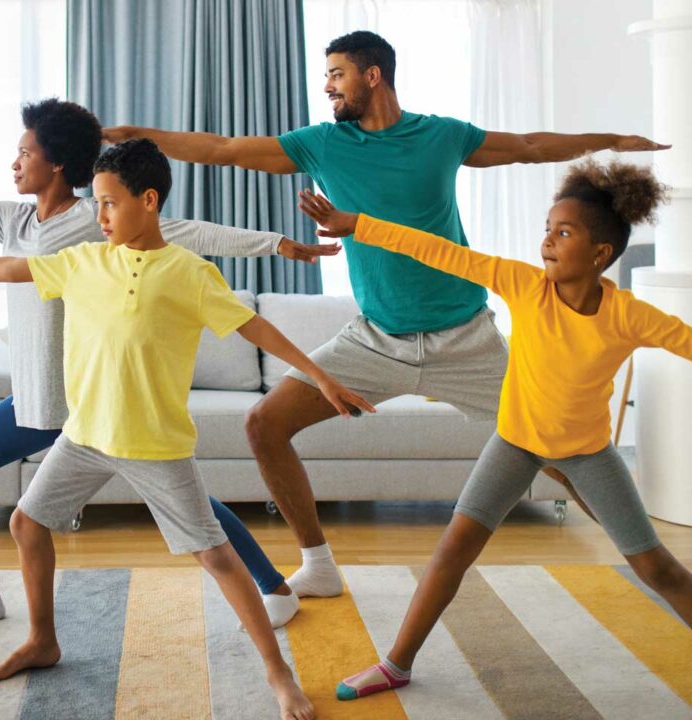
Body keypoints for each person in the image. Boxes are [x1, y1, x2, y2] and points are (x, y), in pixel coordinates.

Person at [105, 30, 671, 598]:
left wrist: (612, 140)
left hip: (467, 341)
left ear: (372, 75)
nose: (326, 85)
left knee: (562, 455)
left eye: (336, 73)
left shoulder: (440, 136)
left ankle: (655, 568)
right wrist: (139, 136)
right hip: (375, 340)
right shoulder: (321, 143)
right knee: (264, 423)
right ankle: (318, 563)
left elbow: (526, 144)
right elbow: (222, 149)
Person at [0, 139, 378, 719]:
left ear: (148, 200)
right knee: (26, 522)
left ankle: (279, 673)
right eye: (96, 203)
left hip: (153, 446)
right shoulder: (85, 261)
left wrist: (319, 377)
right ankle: (43, 639)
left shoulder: (190, 273)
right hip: (85, 434)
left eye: (110, 204)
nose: (100, 217)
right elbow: (8, 266)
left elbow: (255, 331)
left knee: (217, 558)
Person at [0, 98, 337, 626]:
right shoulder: (12, 221)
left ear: (56, 162)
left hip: (69, 397)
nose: (15, 163)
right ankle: (272, 586)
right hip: (36, 391)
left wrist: (277, 244)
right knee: (184, 497)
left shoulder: (96, 219)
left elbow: (189, 231)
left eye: (25, 153)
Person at [296, 159, 692, 702]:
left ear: (600, 254)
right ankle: (396, 664)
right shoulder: (527, 286)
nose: (547, 242)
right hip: (514, 443)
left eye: (564, 232)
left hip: (587, 455)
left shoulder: (627, 315)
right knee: (453, 548)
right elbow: (440, 251)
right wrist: (358, 224)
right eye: (547, 229)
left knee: (655, 565)